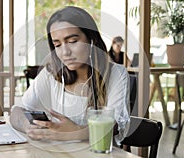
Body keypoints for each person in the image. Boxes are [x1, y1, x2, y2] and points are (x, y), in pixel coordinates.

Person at [10, 6, 130, 145]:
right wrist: (27, 126)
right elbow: (17, 111)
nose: (65, 52)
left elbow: (114, 125)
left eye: (72, 41)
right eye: (57, 44)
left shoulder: (116, 74)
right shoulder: (51, 73)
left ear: (91, 40)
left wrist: (73, 132)